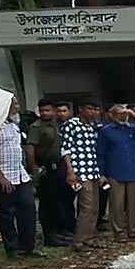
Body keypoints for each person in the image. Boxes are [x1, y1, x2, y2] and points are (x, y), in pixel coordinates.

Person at [0, 98, 41, 258]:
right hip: (2, 177)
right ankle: (12, 249)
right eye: (14, 104)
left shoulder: (13, 125)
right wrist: (1, 176)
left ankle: (28, 247)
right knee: (6, 215)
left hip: (20, 175)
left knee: (28, 210)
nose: (17, 107)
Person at [96, 104, 135, 240]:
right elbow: (100, 153)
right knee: (117, 203)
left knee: (132, 204)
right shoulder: (106, 131)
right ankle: (118, 231)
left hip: (133, 170)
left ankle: (132, 229)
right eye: (120, 114)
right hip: (114, 172)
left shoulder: (131, 129)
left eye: (125, 114)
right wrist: (101, 173)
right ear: (112, 115)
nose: (123, 117)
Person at [60, 100, 105, 251]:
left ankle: (89, 237)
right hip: (79, 173)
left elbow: (93, 152)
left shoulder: (92, 126)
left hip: (93, 171)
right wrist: (70, 171)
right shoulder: (71, 124)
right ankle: (78, 241)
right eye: (89, 108)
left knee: (95, 207)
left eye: (95, 109)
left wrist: (100, 173)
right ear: (81, 109)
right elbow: (65, 149)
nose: (92, 112)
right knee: (86, 206)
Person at [26, 98, 68, 246]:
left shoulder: (56, 125)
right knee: (47, 203)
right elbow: (30, 148)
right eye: (42, 110)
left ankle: (58, 232)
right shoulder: (36, 127)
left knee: (57, 201)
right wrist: (34, 168)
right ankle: (49, 236)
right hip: (44, 167)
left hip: (57, 166)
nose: (44, 113)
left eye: (47, 110)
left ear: (54, 111)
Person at [53, 102, 77, 239]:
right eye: (59, 111)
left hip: (76, 167)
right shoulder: (55, 127)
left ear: (69, 112)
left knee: (73, 197)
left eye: (64, 111)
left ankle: (73, 225)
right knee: (62, 199)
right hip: (60, 168)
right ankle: (65, 227)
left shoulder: (74, 127)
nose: (61, 113)